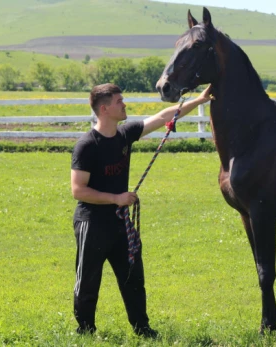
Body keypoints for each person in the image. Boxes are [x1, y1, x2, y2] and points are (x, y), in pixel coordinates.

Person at [70, 83, 213, 338]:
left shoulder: (125, 135)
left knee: (133, 277)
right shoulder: (87, 145)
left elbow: (163, 116)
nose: (124, 104)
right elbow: (78, 190)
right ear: (104, 109)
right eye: (118, 101)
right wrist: (117, 198)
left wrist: (199, 100)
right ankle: (85, 332)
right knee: (88, 281)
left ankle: (142, 329)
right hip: (92, 223)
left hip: (120, 222)